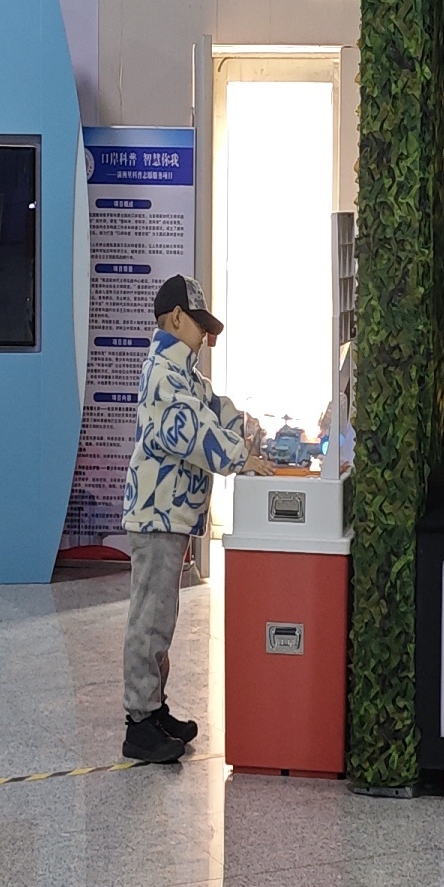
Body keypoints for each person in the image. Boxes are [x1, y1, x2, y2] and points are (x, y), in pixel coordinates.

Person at [119, 275, 285, 762]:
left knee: (161, 617)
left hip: (170, 517)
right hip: (156, 517)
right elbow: (192, 431)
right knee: (149, 618)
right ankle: (139, 723)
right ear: (176, 318)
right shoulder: (162, 374)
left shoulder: (184, 374)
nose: (206, 336)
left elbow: (215, 411)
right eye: (200, 324)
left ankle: (154, 709)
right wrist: (240, 457)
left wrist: (258, 432)